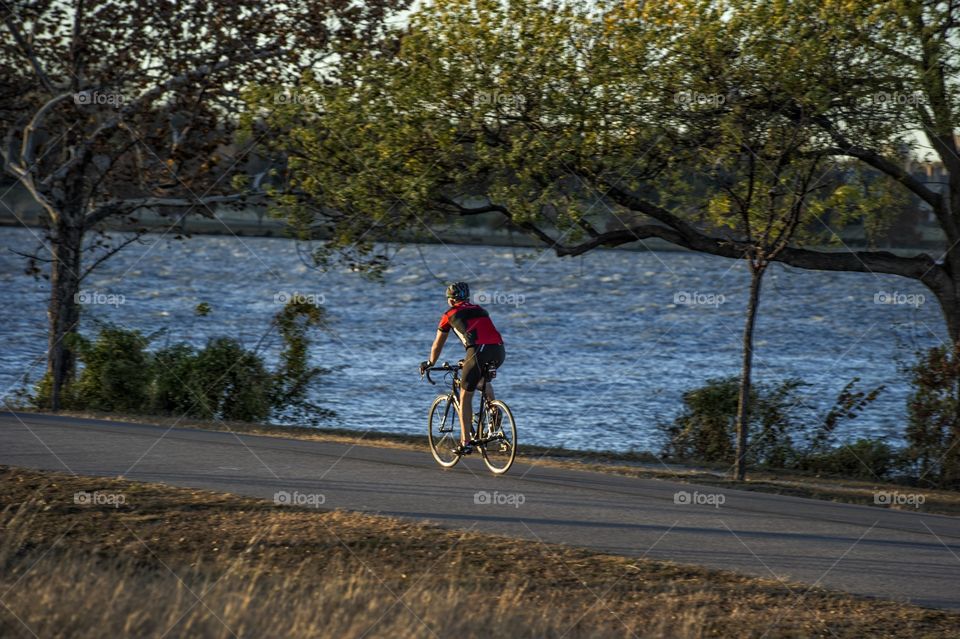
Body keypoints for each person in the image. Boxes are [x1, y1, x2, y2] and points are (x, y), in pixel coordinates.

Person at [420, 282, 505, 455]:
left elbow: (438, 344)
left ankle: (465, 442)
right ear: (466, 297)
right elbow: (485, 334)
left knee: (465, 396)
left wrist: (430, 363)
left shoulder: (449, 314)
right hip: (499, 350)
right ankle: (493, 411)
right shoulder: (480, 309)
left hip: (477, 351)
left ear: (451, 300)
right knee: (482, 380)